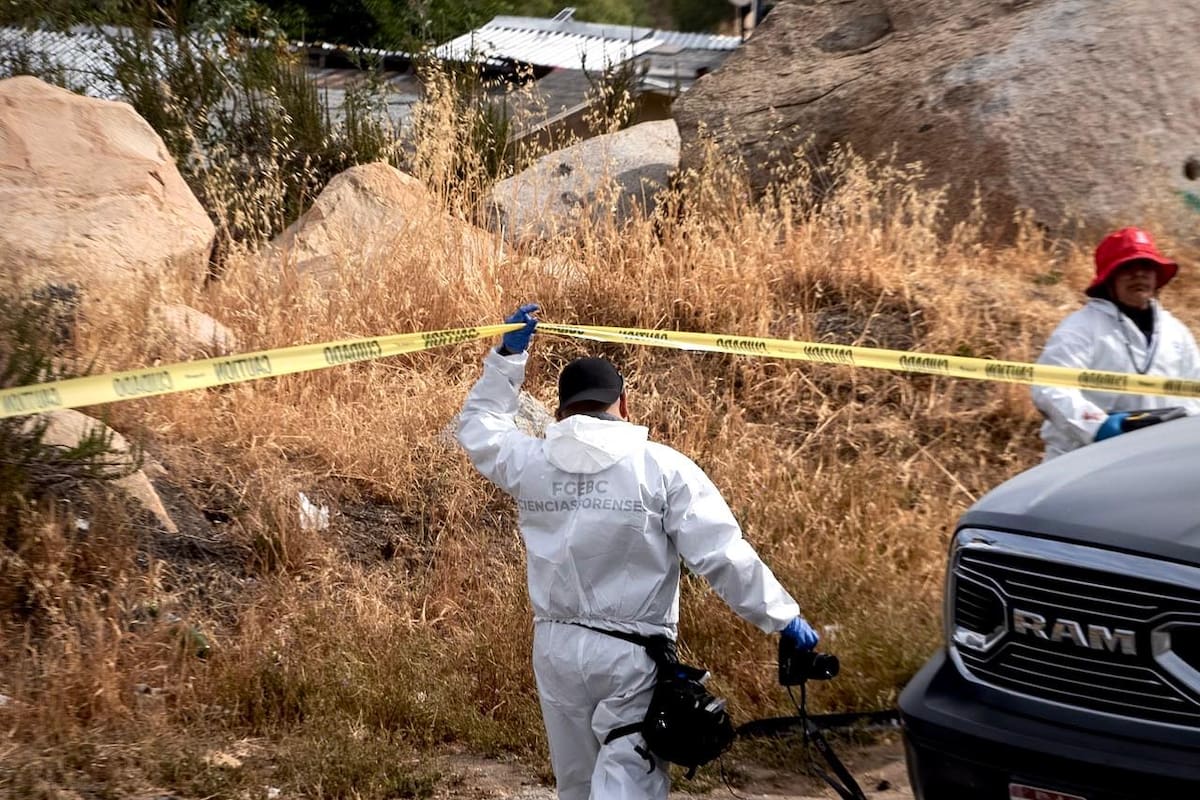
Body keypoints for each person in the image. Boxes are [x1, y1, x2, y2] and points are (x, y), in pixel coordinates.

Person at [457, 303, 820, 800]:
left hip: (556, 648)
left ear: (562, 412)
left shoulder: (532, 462)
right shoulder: (662, 468)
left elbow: (479, 425)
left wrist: (506, 357)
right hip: (631, 658)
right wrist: (783, 618)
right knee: (628, 784)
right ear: (623, 404)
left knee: (578, 786)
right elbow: (721, 554)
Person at [1032, 227, 1200, 460]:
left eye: (1146, 267)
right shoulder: (1081, 328)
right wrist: (1096, 426)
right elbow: (1049, 387)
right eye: (1127, 268)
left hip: (1157, 459)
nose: (1139, 275)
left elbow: (1195, 393)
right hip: (1081, 462)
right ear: (1109, 280)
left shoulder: (1177, 333)